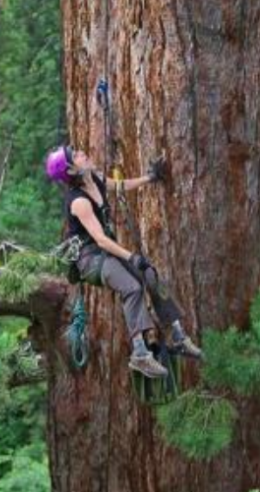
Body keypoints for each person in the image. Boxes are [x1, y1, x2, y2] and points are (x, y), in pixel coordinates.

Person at [45, 145, 203, 378]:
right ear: (71, 169)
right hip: (90, 260)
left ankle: (178, 336)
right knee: (131, 287)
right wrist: (132, 257)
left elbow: (120, 186)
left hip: (105, 251)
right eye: (75, 155)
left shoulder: (95, 178)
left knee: (149, 275)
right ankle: (139, 354)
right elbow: (99, 239)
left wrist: (150, 177)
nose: (82, 153)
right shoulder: (79, 202)